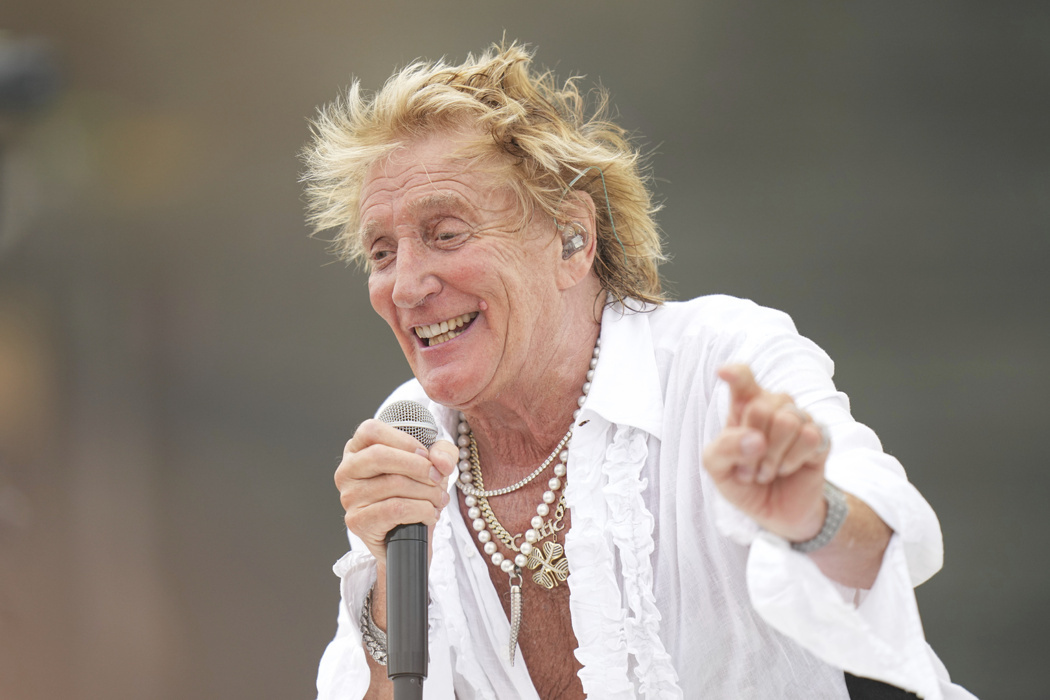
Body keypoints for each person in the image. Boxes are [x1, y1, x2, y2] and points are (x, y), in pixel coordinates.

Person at [301, 42, 976, 700]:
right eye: (382, 252)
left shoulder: (721, 360)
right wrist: (387, 591)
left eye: (446, 234)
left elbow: (891, 548)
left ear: (571, 241)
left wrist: (809, 512)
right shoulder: (407, 438)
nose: (406, 286)